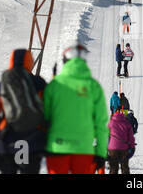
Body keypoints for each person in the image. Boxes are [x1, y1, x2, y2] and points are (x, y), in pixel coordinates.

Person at [44, 42, 109, 174]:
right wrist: (101, 152)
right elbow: (101, 124)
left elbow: (44, 118)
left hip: (57, 148)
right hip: (84, 149)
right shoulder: (93, 86)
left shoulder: (54, 85)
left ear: (65, 60)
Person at [0, 49, 46, 174]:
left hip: (7, 143)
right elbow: (50, 112)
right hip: (32, 142)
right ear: (29, 62)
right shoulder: (39, 83)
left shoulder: (0, 86)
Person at [107, 109, 136, 174]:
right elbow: (131, 137)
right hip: (124, 149)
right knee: (125, 167)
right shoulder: (127, 123)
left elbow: (106, 136)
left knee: (113, 168)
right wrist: (132, 147)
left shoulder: (110, 123)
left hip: (112, 149)